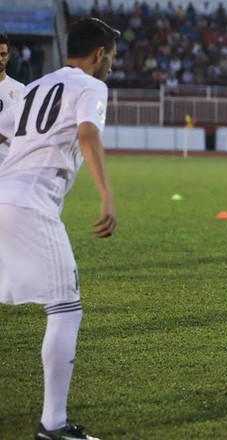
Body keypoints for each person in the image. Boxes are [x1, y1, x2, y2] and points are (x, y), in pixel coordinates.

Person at [0, 17, 119, 440]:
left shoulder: (34, 87)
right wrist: (106, 194)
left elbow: (1, 133)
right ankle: (53, 425)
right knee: (65, 308)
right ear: (100, 54)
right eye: (112, 57)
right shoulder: (91, 87)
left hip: (3, 197)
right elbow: (87, 133)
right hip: (31, 204)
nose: (111, 66)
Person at [0, 33, 25, 165]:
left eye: (3, 54)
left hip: (7, 166)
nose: (0, 59)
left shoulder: (20, 90)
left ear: (8, 56)